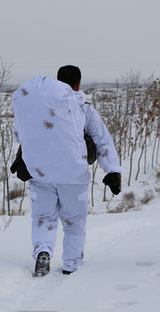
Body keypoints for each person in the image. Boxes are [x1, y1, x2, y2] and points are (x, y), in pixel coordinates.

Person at [10, 65, 122, 277]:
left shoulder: (36, 108)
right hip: (73, 175)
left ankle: (43, 250)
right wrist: (113, 170)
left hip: (40, 173)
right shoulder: (84, 108)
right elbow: (102, 141)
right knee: (74, 221)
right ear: (78, 84)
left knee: (43, 217)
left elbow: (20, 135)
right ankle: (71, 264)